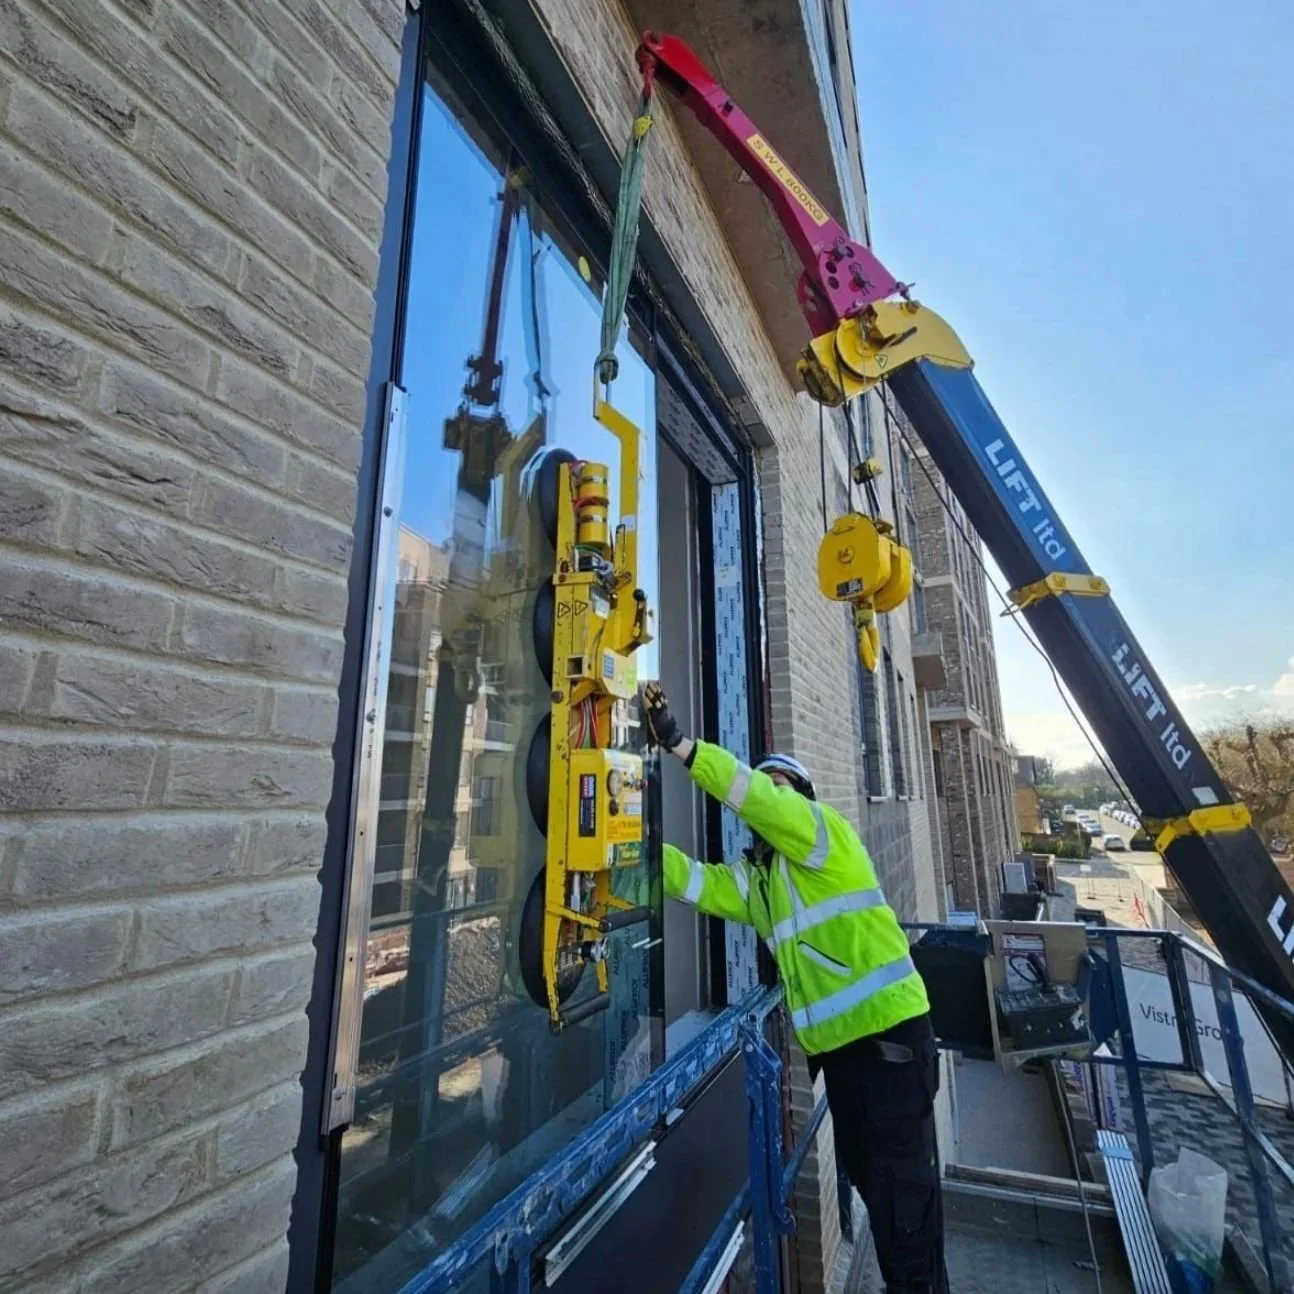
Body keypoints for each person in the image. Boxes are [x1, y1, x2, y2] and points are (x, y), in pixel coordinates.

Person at [640, 681, 948, 1294]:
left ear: (801, 801)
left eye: (782, 788)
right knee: (875, 1186)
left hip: (889, 1045)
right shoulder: (764, 885)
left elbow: (753, 798)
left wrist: (679, 746)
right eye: (768, 785)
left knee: (902, 1209)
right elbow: (696, 883)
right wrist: (633, 851)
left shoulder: (821, 835)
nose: (771, 797)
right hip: (851, 1058)